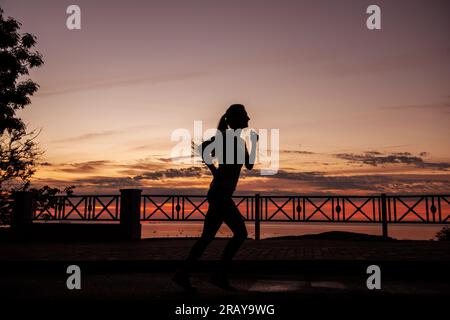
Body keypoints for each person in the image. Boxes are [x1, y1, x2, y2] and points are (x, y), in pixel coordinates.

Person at [172, 104, 257, 292]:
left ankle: (182, 274)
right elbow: (203, 150)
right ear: (235, 119)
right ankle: (218, 275)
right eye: (245, 115)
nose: (249, 119)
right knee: (240, 234)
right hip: (220, 194)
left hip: (221, 194)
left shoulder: (239, 141)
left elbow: (249, 165)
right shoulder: (225, 137)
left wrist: (254, 143)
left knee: (207, 237)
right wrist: (215, 172)